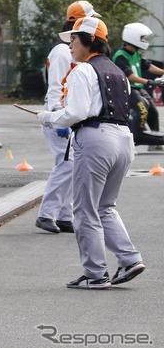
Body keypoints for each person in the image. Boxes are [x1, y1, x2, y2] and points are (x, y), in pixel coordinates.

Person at [36, 17, 145, 289]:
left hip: (96, 139)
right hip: (123, 140)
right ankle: (130, 259)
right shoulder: (118, 73)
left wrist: (48, 118)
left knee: (84, 210)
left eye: (73, 39)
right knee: (105, 207)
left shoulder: (82, 71)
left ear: (87, 40)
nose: (70, 44)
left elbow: (76, 112)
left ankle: (95, 274)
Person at [35, 1, 101, 234]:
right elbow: (56, 87)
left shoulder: (68, 50)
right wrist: (56, 118)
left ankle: (63, 215)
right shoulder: (63, 51)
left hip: (65, 116)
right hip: (59, 115)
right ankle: (47, 213)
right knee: (67, 163)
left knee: (71, 165)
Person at [112, 23, 164, 150]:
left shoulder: (136, 53)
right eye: (142, 38)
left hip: (138, 89)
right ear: (133, 37)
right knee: (142, 110)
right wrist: (148, 82)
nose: (144, 41)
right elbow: (129, 76)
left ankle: (155, 143)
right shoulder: (120, 56)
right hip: (127, 90)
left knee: (153, 111)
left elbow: (148, 66)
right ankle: (135, 138)